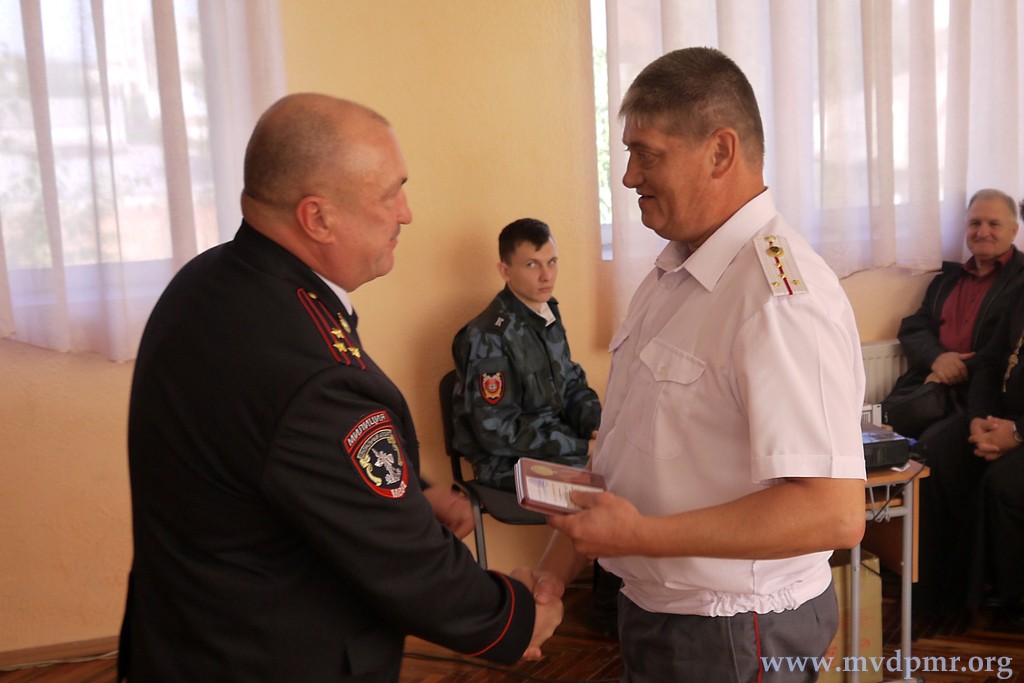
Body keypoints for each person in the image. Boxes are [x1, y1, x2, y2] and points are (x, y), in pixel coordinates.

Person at [117, 93, 560, 683]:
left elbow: (281, 461)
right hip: (269, 657)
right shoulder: (310, 366)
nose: (406, 213)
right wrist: (517, 618)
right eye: (390, 194)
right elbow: (408, 567)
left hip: (187, 636)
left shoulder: (210, 282)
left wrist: (411, 495)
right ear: (317, 218)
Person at [530, 47, 867, 681]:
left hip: (736, 631)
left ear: (720, 152)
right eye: (628, 154)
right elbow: (637, 454)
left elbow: (834, 512)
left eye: (647, 154)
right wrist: (554, 571)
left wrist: (638, 537)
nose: (628, 177)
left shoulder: (779, 299)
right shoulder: (674, 274)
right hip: (662, 613)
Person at [450, 218, 601, 491]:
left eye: (552, 262)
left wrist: (594, 428)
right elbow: (497, 431)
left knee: (629, 467)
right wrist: (581, 447)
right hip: (507, 463)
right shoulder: (488, 336)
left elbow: (571, 383)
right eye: (532, 265)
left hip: (557, 446)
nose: (547, 275)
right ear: (505, 271)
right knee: (608, 486)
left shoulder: (547, 311)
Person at [885, 189, 1024, 439]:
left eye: (994, 224)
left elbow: (1004, 351)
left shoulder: (1020, 282)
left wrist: (955, 368)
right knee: (875, 431)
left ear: (1014, 230)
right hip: (930, 385)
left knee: (930, 446)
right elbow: (914, 327)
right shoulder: (947, 278)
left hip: (980, 395)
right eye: (975, 223)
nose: (982, 232)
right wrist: (938, 358)